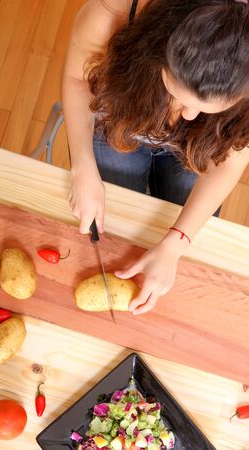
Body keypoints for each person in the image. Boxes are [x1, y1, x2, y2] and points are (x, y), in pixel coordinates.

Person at [61, 0, 249, 314]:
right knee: (115, 229)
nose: (186, 115)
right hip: (125, 118)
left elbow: (232, 159)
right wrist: (82, 165)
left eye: (204, 107)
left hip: (202, 144)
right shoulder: (112, 12)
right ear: (159, 43)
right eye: (176, 92)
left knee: (182, 248)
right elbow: (78, 80)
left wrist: (177, 243)